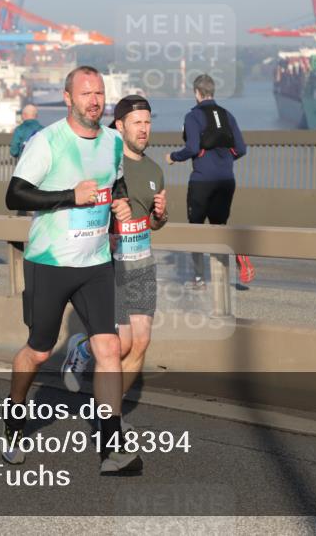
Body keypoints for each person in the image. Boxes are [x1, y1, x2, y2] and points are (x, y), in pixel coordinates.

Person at [2, 65, 140, 476]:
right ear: (68, 98)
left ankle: (111, 447)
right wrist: (69, 196)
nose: (94, 101)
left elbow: (115, 185)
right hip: (50, 262)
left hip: (96, 262)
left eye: (99, 93)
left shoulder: (114, 141)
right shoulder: (48, 142)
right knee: (39, 351)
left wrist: (120, 202)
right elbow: (14, 195)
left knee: (109, 349)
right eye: (86, 94)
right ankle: (14, 417)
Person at [62, 96, 168, 413]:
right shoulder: (104, 161)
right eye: (137, 122)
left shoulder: (153, 169)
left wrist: (160, 216)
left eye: (148, 122)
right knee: (119, 344)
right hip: (109, 267)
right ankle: (81, 347)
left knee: (141, 343)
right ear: (120, 125)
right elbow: (78, 206)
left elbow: (154, 222)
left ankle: (111, 414)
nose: (144, 129)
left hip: (143, 265)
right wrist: (108, 211)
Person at [166, 73, 252, 289]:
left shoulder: (193, 116)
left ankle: (199, 279)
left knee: (196, 229)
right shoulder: (227, 115)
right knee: (219, 227)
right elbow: (241, 149)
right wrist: (224, 160)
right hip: (226, 180)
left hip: (202, 181)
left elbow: (192, 148)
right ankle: (228, 268)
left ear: (196, 93)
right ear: (212, 91)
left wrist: (173, 157)